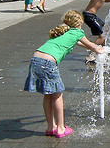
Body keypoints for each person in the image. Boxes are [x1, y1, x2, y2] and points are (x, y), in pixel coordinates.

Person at [24, 10, 104, 138]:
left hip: (36, 59)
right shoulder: (78, 32)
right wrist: (101, 50)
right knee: (57, 95)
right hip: (48, 62)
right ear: (79, 24)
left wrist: (92, 47)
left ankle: (51, 127)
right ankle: (61, 128)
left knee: (47, 95)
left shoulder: (62, 32)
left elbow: (80, 44)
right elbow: (92, 47)